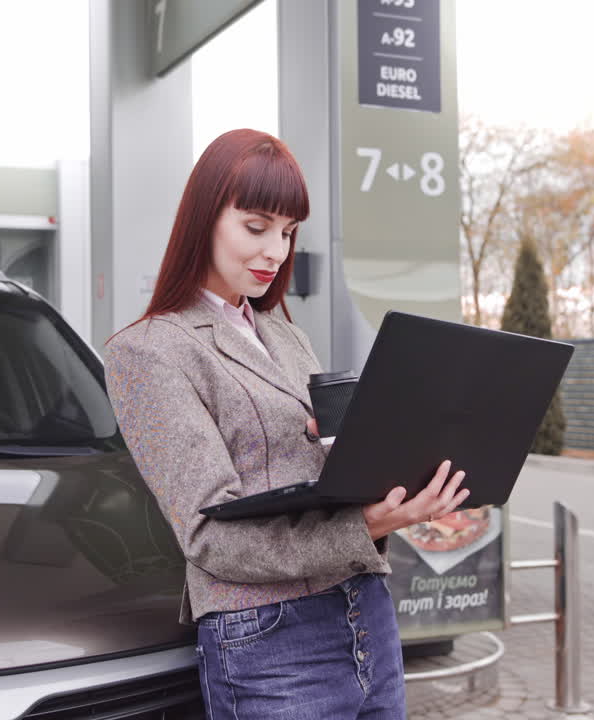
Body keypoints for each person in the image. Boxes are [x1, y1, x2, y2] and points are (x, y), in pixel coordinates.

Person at [104, 128, 468, 719]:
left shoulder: (283, 331)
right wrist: (366, 524)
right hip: (270, 637)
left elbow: (319, 472)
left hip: (364, 609)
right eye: (256, 227)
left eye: (288, 232)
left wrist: (382, 463)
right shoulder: (148, 352)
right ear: (203, 218)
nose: (276, 251)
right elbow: (209, 537)